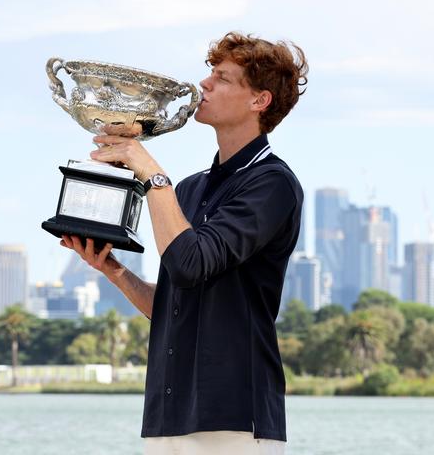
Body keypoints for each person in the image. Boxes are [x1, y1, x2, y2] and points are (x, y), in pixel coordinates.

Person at [60, 32, 308, 455]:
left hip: (234, 420)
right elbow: (175, 303)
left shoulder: (272, 185)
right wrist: (115, 271)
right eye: (210, 73)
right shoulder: (190, 190)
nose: (204, 85)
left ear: (259, 101)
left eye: (223, 78)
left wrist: (152, 174)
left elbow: (192, 262)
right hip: (166, 416)